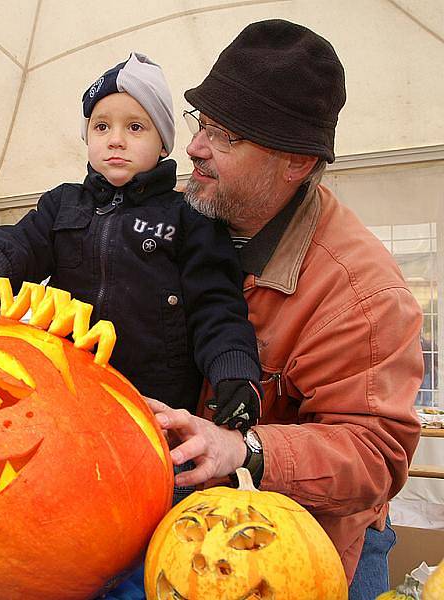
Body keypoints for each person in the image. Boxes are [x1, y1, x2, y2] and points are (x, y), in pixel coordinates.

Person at [144, 20, 422, 600]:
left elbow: (374, 454)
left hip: (309, 539)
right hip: (180, 518)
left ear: (294, 163)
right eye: (201, 123)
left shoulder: (363, 293)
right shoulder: (179, 220)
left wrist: (245, 447)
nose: (193, 147)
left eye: (225, 136)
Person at [0, 53, 262, 432]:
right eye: (101, 127)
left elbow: (216, 306)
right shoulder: (62, 204)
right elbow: (19, 244)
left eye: (135, 127)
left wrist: (233, 372)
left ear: (163, 144)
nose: (115, 140)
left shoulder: (189, 216)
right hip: (68, 400)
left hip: (154, 413)